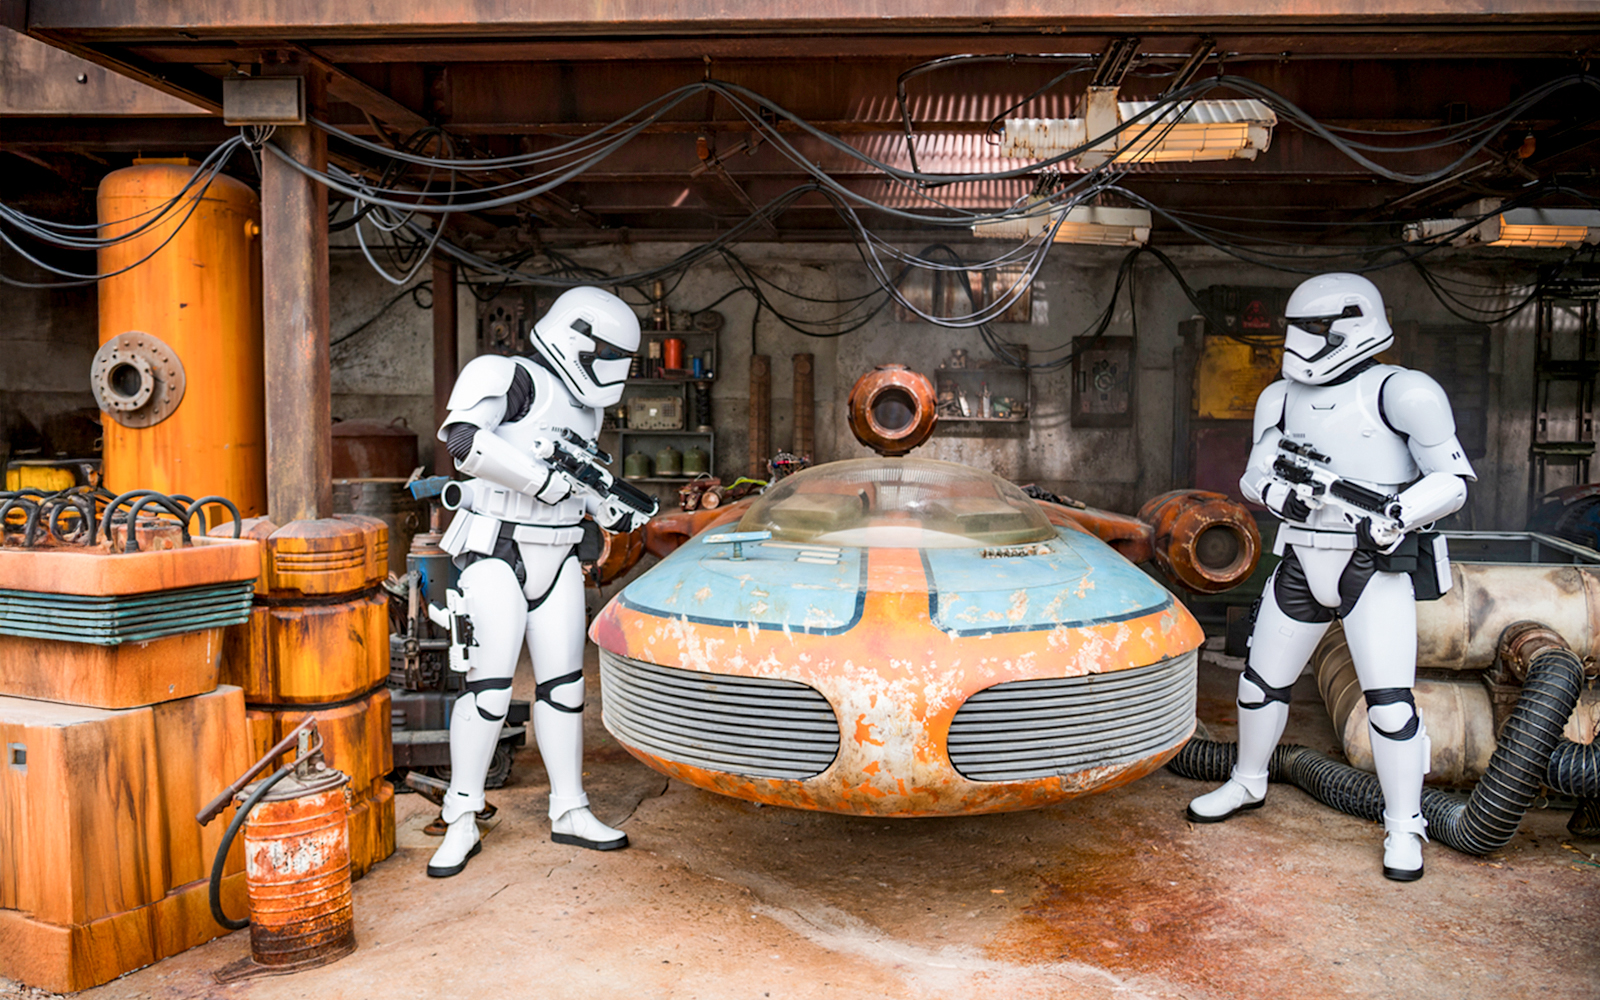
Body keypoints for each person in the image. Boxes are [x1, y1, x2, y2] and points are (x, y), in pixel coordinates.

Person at [1186, 272, 1475, 882]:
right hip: (1301, 557)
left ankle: (1405, 824)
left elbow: (1451, 482)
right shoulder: (1279, 398)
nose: (1302, 341)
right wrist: (1277, 495)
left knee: (1389, 705)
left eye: (1316, 328)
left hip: (1372, 562)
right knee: (1259, 684)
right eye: (1297, 328)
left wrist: (1397, 513)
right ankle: (1247, 780)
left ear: (1353, 324)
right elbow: (1254, 473)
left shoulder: (1404, 392)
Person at [426, 286, 652, 878]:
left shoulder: (588, 410)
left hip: (559, 555)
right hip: (497, 549)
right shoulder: (508, 376)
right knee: (488, 691)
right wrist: (539, 481)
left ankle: (569, 807)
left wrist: (606, 509)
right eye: (607, 356)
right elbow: (462, 442)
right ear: (578, 340)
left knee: (566, 689)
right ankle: (461, 815)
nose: (612, 369)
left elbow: (581, 483)